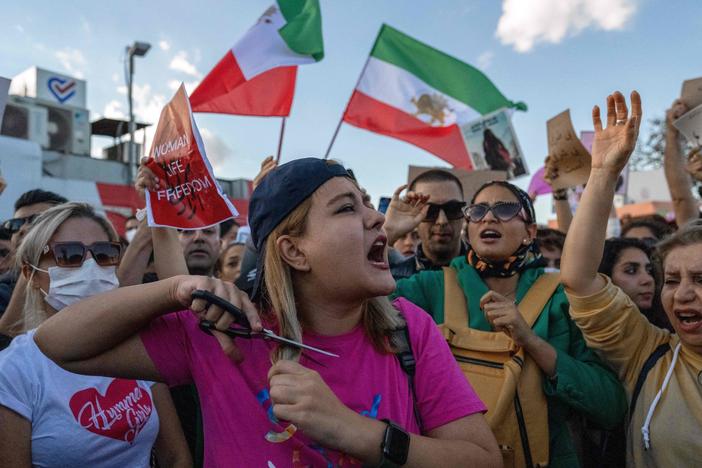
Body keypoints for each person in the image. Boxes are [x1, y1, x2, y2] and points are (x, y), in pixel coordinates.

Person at [35, 158, 501, 467]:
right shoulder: (223, 333)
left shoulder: (407, 328)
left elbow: (482, 460)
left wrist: (355, 431)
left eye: (366, 203)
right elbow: (56, 343)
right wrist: (174, 289)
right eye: (346, 207)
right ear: (294, 251)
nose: (377, 217)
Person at [392, 179, 627, 467]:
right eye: (478, 211)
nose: (488, 217)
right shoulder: (430, 288)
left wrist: (532, 342)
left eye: (505, 209)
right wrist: (387, 233)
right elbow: (357, 307)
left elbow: (610, 406)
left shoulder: (561, 297)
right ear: (469, 229)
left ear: (530, 232)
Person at [561, 89, 702, 466]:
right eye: (672, 280)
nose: (684, 293)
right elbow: (577, 278)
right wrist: (603, 173)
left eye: (701, 279)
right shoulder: (648, 353)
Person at [0, 202, 191, 467]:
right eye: (68, 254)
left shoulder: (138, 345)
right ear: (31, 274)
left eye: (103, 254)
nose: (90, 266)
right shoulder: (13, 370)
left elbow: (176, 457)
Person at [0, 189, 68, 331]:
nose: (23, 229)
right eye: (15, 224)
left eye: (37, 220)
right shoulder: (4, 291)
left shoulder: (93, 279)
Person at [385, 169, 467, 280]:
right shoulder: (392, 278)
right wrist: (388, 233)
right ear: (413, 216)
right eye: (430, 211)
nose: (442, 221)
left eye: (452, 209)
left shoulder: (491, 275)